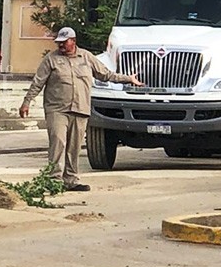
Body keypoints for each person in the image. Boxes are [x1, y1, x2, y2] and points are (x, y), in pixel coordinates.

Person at [19, 27, 144, 191]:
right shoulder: (51, 59)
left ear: (73, 41)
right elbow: (38, 82)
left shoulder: (86, 57)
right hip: (57, 109)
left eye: (64, 42)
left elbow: (106, 75)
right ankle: (53, 180)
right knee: (58, 141)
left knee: (74, 147)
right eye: (59, 43)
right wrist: (27, 101)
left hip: (80, 109)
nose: (61, 45)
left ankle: (71, 180)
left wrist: (128, 79)